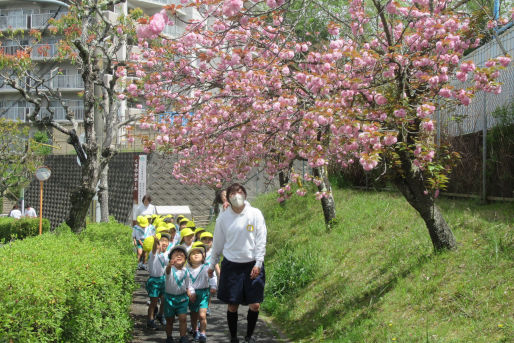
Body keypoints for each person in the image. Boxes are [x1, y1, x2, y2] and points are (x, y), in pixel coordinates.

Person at [208, 183, 267, 343]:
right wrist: (212, 264)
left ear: (245, 195)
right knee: (232, 305)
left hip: (252, 264)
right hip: (231, 265)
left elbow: (261, 240)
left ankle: (249, 335)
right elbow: (218, 243)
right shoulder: (224, 218)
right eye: (233, 193)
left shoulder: (255, 214)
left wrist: (259, 263)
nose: (237, 195)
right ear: (228, 198)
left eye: (240, 192)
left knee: (255, 304)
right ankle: (234, 337)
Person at [186, 242, 217, 343]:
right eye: (193, 253)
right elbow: (187, 282)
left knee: (202, 315)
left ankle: (203, 333)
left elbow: (212, 276)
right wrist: (191, 292)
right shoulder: (187, 270)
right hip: (193, 295)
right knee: (194, 315)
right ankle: (195, 330)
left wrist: (213, 286)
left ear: (203, 257)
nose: (196, 254)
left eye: (198, 253)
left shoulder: (206, 267)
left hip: (204, 293)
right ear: (189, 258)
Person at [164, 245, 194, 343]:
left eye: (181, 255)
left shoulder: (186, 271)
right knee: (169, 320)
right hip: (169, 298)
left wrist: (189, 291)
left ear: (185, 259)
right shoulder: (169, 269)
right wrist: (169, 265)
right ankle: (169, 337)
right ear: (171, 259)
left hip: (182, 299)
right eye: (176, 255)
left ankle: (183, 337)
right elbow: (167, 271)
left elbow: (188, 285)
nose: (179, 256)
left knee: (183, 318)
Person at [146, 233, 171, 330]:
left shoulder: (167, 254)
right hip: (154, 280)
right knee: (154, 302)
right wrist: (156, 242)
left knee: (164, 299)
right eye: (162, 241)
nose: (164, 243)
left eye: (166, 241)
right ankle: (150, 320)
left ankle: (161, 315)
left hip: (163, 280)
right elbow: (154, 248)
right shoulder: (153, 254)